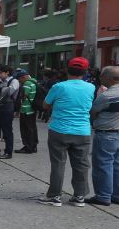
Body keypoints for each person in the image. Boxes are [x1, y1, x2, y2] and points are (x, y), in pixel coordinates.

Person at [39, 57, 96, 207]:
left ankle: (54, 195)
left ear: (67, 70)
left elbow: (45, 105)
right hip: (83, 131)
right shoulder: (91, 87)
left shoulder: (59, 87)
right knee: (81, 164)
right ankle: (79, 196)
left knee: (58, 163)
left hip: (59, 130)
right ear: (85, 72)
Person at [88, 66, 119, 207]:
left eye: (102, 76)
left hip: (106, 134)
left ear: (108, 78)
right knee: (117, 165)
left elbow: (93, 112)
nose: (100, 78)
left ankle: (103, 196)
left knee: (102, 166)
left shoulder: (107, 95)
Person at [15, 68, 38, 153]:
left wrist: (17, 110)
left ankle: (28, 147)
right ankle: (33, 146)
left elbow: (23, 96)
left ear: (23, 77)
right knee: (32, 128)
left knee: (25, 130)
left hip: (26, 109)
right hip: (32, 109)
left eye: (19, 79)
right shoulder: (34, 81)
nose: (19, 81)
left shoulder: (27, 84)